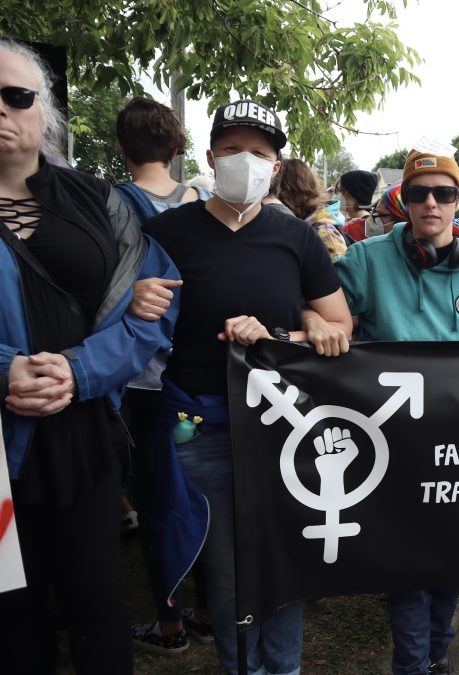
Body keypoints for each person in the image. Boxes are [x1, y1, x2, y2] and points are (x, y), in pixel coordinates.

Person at [143, 99, 353, 675]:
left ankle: (283, 668)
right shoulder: (164, 232)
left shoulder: (296, 237)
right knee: (228, 572)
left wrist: (306, 325)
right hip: (201, 424)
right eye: (232, 150)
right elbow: (133, 320)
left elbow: (338, 325)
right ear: (209, 157)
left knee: (285, 557)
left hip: (282, 425)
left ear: (277, 167)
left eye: (259, 153)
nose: (244, 161)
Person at [0, 39, 179, 673]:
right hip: (2, 452)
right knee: (10, 614)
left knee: (96, 602)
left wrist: (79, 371)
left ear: (41, 111)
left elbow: (156, 313)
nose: (1, 110)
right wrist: (4, 369)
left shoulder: (102, 204)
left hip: (85, 440)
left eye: (15, 96)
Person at [331, 149, 459, 675]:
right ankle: (411, 665)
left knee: (453, 559)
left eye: (444, 193)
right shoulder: (365, 259)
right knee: (408, 565)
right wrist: (322, 325)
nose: (431, 203)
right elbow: (323, 311)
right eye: (418, 193)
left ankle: (438, 654)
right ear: (403, 201)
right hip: (396, 445)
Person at [113, 94, 214, 656]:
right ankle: (206, 608)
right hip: (200, 377)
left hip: (143, 380)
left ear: (123, 147)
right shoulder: (203, 203)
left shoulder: (113, 206)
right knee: (207, 494)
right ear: (178, 147)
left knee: (157, 498)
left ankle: (169, 623)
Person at [276, 157, 349, 262]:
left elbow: (341, 276)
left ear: (287, 193)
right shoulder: (306, 224)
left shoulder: (324, 233)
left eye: (273, 192)